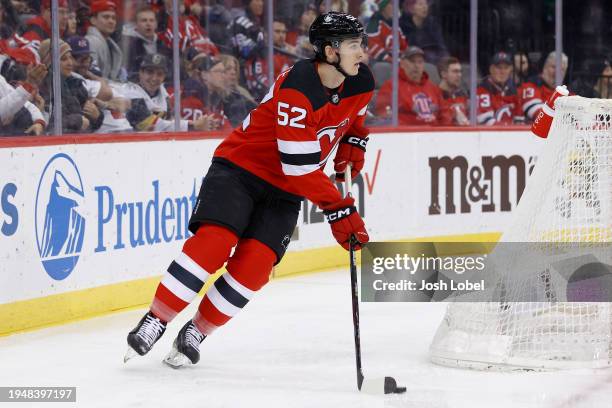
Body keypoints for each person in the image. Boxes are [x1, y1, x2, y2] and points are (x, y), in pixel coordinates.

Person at [124, 11, 373, 368]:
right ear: (330, 52)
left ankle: (195, 331)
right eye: (353, 45)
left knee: (255, 268)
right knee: (213, 243)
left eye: (361, 44)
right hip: (242, 170)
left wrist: (354, 142)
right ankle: (157, 318)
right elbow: (298, 166)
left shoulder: (360, 80)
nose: (362, 52)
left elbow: (354, 118)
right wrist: (339, 209)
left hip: (286, 191)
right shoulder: (299, 87)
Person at [375, 46, 447, 125]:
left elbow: (444, 114)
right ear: (402, 64)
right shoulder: (391, 86)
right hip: (406, 134)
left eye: (420, 62)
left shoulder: (433, 88)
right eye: (412, 61)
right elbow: (383, 114)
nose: (416, 65)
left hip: (435, 134)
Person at [121, 5, 171, 79]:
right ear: (136, 24)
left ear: (156, 24)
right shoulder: (128, 46)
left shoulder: (163, 46)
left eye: (151, 20)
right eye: (144, 20)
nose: (148, 24)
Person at [518, 51, 568, 123]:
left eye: (562, 69)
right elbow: (540, 115)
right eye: (554, 67)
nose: (557, 72)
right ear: (545, 67)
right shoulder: (529, 87)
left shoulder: (568, 94)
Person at [476, 51, 519, 126]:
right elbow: (485, 120)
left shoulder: (514, 90)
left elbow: (519, 119)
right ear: (491, 69)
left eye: (506, 68)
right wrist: (507, 131)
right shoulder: (482, 90)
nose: (502, 72)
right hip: (490, 135)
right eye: (499, 68)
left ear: (511, 70)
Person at [86, 0, 124, 81]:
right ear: (93, 20)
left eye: (113, 18)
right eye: (106, 17)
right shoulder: (90, 42)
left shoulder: (111, 43)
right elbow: (91, 75)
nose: (111, 21)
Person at [399, 0, 448, 64]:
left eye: (426, 4)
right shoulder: (402, 24)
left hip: (432, 58)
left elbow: (440, 45)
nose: (424, 7)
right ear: (411, 8)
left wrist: (446, 58)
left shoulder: (432, 23)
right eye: (420, 4)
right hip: (412, 57)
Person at [437, 56, 468, 125]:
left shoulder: (462, 94)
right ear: (443, 74)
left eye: (460, 72)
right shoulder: (434, 95)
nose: (459, 75)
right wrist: (453, 116)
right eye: (455, 71)